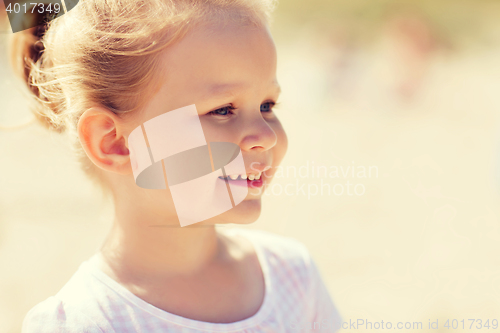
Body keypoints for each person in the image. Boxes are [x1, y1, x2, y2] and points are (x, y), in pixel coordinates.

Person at [12, 0, 343, 331]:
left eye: (267, 105)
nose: (266, 136)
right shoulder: (82, 321)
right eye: (223, 109)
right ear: (114, 142)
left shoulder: (294, 277)